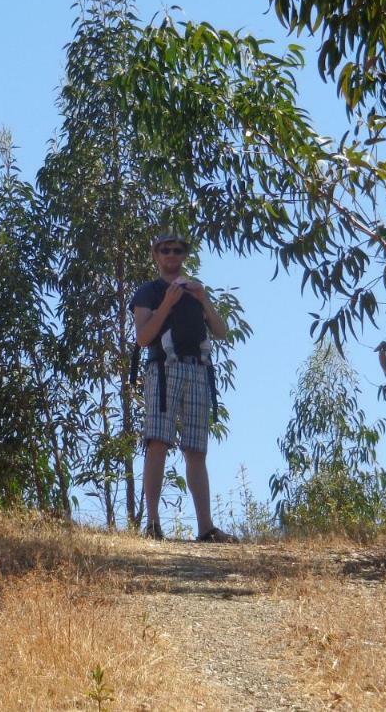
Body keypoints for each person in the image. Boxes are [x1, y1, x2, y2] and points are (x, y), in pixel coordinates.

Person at [131, 232, 238, 542]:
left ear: (184, 256)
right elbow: (142, 337)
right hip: (164, 369)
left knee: (196, 448)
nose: (172, 255)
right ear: (156, 255)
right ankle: (152, 524)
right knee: (158, 442)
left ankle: (206, 527)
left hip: (198, 370)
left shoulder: (196, 291)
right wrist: (167, 304)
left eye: (177, 250)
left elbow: (221, 331)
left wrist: (203, 299)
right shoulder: (147, 292)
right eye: (165, 250)